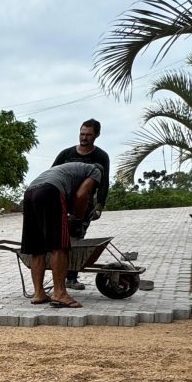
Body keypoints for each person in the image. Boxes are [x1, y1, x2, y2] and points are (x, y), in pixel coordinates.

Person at [21, 162, 101, 308]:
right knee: (59, 245)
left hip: (30, 193)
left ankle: (39, 293)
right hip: (51, 191)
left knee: (37, 248)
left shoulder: (70, 169)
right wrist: (77, 218)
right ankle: (59, 293)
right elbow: (81, 195)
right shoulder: (95, 171)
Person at [52, 119, 110, 290]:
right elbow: (51, 174)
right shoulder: (66, 154)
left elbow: (104, 183)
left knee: (76, 239)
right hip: (63, 202)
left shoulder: (100, 157)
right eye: (82, 133)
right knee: (60, 240)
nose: (84, 137)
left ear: (96, 135)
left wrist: (100, 206)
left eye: (88, 135)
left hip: (85, 205)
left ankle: (71, 277)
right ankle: (59, 278)